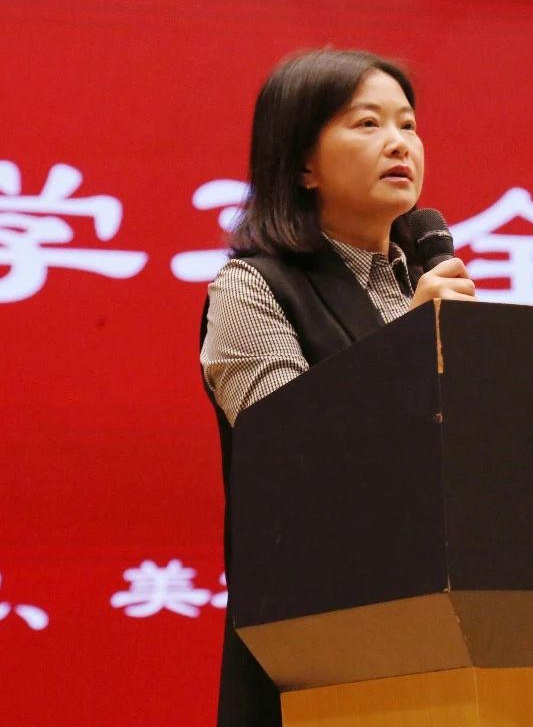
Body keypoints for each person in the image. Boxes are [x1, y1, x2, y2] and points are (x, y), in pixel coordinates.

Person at [198, 48, 475, 726]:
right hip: (320, 645)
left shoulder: (421, 287)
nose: (399, 144)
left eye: (408, 125)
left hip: (452, 635)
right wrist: (411, 345)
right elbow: (293, 459)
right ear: (303, 164)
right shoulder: (253, 288)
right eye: (367, 124)